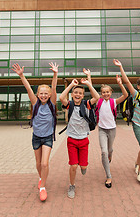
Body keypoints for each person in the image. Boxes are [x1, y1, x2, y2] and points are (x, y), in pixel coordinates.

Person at [11, 62, 58, 202]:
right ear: (38, 95)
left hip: (48, 137)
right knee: (38, 164)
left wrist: (55, 74)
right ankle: (41, 178)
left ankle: (43, 187)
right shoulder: (35, 103)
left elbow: (54, 87)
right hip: (36, 137)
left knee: (45, 163)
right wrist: (21, 76)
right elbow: (27, 88)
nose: (43, 96)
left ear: (49, 95)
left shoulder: (52, 104)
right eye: (41, 94)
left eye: (46, 94)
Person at [59, 69, 100, 199]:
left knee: (83, 165)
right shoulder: (69, 104)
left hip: (84, 140)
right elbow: (61, 97)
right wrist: (71, 85)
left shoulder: (86, 104)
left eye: (80, 93)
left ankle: (84, 166)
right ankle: (72, 185)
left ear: (83, 96)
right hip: (71, 139)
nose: (77, 94)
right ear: (72, 95)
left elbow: (97, 97)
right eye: (75, 93)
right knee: (73, 166)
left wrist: (88, 83)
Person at [96, 75, 128, 188]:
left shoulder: (113, 102)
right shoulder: (98, 101)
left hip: (112, 130)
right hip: (102, 130)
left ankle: (111, 152)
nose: (105, 94)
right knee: (104, 151)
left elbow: (125, 95)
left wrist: (120, 83)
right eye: (103, 92)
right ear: (101, 93)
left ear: (110, 92)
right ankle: (108, 176)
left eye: (107, 92)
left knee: (109, 149)